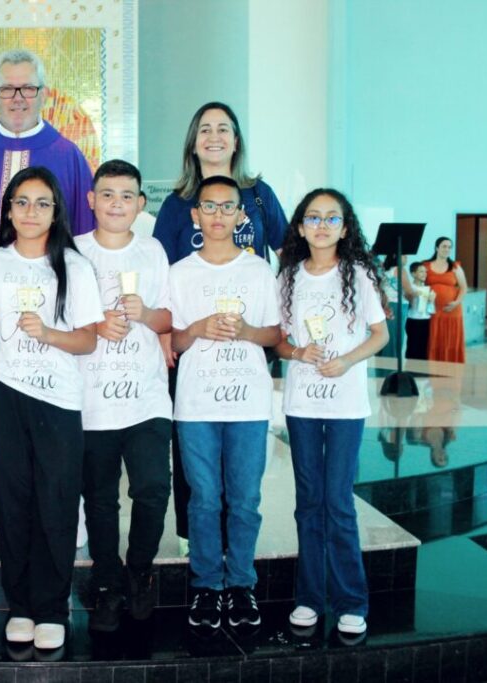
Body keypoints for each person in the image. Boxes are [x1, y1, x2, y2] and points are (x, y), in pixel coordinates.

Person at [0, 48, 96, 548]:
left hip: (49, 329)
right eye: (7, 88)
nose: (18, 97)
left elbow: (83, 240)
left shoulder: (69, 157)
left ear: (44, 93)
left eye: (28, 87)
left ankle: (48, 521)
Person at [153, 101, 289, 546]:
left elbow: (290, 255)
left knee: (242, 449)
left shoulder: (259, 195)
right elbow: (159, 270)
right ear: (193, 143)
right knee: (194, 444)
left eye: (223, 129)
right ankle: (194, 537)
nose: (214, 137)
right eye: (205, 129)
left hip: (247, 341)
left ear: (236, 140)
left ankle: (237, 536)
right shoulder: (177, 203)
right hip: (193, 341)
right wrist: (169, 334)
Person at [0, 167, 102, 650]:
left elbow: (88, 340)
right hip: (6, 392)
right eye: (22, 202)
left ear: (56, 212)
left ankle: (52, 607)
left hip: (58, 397)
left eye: (42, 203)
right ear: (9, 210)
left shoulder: (74, 266)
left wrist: (48, 333)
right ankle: (21, 605)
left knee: (56, 501)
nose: (31, 212)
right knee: (12, 502)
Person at [274, 188, 389, 638]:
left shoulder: (358, 275)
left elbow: (380, 334)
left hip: (345, 405)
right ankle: (309, 597)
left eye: (331, 218)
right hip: (302, 403)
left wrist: (346, 360)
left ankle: (350, 600)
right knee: (308, 501)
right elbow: (278, 341)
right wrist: (298, 352)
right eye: (313, 217)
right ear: (301, 227)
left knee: (338, 501)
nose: (322, 225)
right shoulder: (289, 276)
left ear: (344, 228)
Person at [169, 176, 281, 630]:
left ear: (241, 214)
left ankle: (241, 583)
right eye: (209, 207)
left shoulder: (258, 270)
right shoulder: (180, 272)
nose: (218, 215)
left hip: (248, 403)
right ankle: (206, 586)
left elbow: (275, 334)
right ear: (196, 215)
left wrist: (246, 332)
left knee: (245, 498)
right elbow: (174, 341)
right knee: (203, 499)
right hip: (196, 404)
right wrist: (198, 328)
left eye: (227, 206)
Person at [74, 160, 172, 631]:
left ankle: (140, 570)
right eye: (108, 194)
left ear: (140, 204)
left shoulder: (153, 251)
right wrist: (96, 324)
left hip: (146, 397)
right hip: (91, 399)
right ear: (91, 200)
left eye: (127, 195)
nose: (117, 203)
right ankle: (107, 581)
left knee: (152, 488)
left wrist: (146, 313)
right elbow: (60, 320)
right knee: (99, 498)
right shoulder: (74, 252)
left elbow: (169, 318)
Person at [424, 237, 467, 363]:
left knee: (451, 339)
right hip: (432, 310)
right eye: (444, 246)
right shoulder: (426, 265)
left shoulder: (455, 267)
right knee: (434, 337)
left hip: (452, 310)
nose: (447, 249)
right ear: (437, 248)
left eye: (449, 247)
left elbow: (464, 287)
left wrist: (456, 303)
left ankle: (452, 366)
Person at [399, 260, 435, 360]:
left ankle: (422, 368)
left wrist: (431, 301)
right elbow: (406, 303)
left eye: (425, 272)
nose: (424, 274)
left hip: (426, 320)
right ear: (413, 274)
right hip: (413, 320)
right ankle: (411, 368)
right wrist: (412, 295)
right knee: (413, 348)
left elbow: (431, 310)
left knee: (424, 349)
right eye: (421, 271)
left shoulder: (427, 288)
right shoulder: (410, 288)